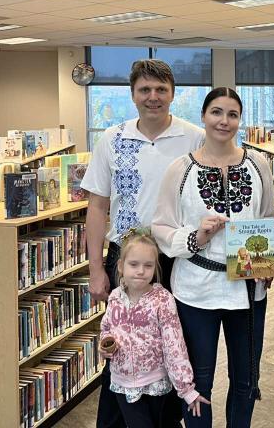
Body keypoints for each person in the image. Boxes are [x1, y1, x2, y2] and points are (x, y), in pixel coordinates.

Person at [82, 59, 205, 428]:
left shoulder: (194, 137)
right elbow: (97, 205)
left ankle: (165, 421)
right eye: (145, 90)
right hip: (126, 259)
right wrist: (95, 270)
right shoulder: (112, 138)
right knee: (121, 343)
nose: (153, 98)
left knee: (171, 345)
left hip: (176, 256)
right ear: (133, 95)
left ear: (173, 94)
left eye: (161, 90)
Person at [151, 87, 274, 428]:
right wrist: (196, 236)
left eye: (232, 114)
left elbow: (268, 218)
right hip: (195, 289)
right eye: (217, 112)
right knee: (196, 380)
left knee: (246, 380)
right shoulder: (180, 170)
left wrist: (268, 264)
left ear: (240, 120)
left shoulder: (258, 164)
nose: (224, 121)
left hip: (248, 289)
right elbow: (161, 227)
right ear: (204, 117)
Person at [100, 233, 210, 428]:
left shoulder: (162, 300)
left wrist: (186, 389)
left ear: (155, 267)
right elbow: (107, 328)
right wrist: (106, 344)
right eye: (133, 264)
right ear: (120, 266)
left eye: (148, 265)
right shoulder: (115, 298)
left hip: (155, 383)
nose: (141, 271)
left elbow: (174, 346)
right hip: (123, 384)